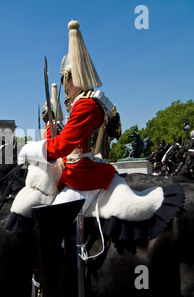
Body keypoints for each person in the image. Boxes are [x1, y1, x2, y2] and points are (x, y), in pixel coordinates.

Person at [18, 20, 116, 211]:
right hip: (85, 171)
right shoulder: (94, 101)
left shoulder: (86, 104)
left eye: (64, 79)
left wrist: (29, 149)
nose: (64, 85)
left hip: (85, 176)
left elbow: (63, 145)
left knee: (50, 219)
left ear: (72, 77)